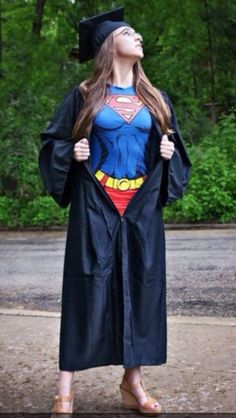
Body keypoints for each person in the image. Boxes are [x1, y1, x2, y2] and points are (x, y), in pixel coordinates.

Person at [39, 7, 191, 416]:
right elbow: (51, 143)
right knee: (86, 287)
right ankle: (65, 385)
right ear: (110, 45)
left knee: (141, 287)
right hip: (96, 205)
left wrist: (167, 153)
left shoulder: (155, 99)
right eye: (129, 31)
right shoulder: (85, 94)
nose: (138, 35)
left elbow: (176, 158)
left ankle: (133, 382)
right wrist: (70, 151)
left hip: (139, 208)